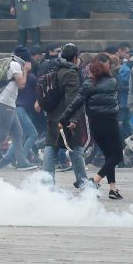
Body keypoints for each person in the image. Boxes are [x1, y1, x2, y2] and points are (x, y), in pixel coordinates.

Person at [59, 53, 124, 199]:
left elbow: (76, 103)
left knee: (109, 156)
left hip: (95, 124)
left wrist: (63, 118)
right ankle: (94, 181)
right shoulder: (113, 81)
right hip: (110, 122)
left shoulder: (88, 83)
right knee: (117, 155)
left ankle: (113, 189)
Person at [40, 43, 88, 189]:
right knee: (76, 148)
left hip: (52, 115)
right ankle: (83, 182)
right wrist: (73, 119)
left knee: (51, 146)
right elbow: (72, 99)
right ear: (75, 58)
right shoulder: (71, 72)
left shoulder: (54, 69)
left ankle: (46, 184)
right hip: (66, 117)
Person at [0, 47, 35, 170]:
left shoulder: (11, 63)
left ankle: (21, 162)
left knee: (18, 133)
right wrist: (26, 70)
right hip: (5, 104)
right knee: (1, 136)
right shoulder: (15, 65)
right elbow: (21, 84)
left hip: (8, 103)